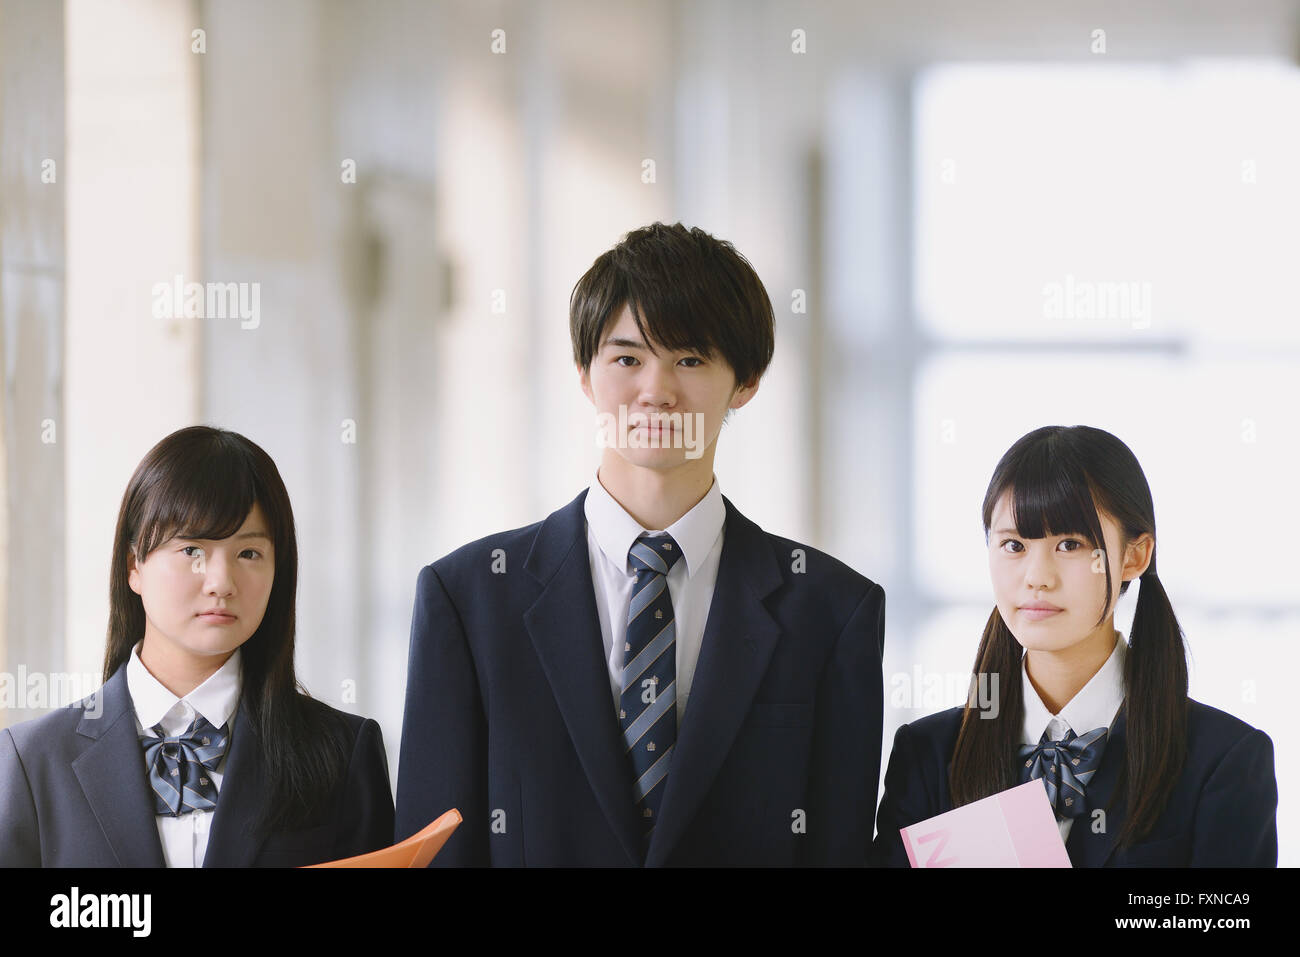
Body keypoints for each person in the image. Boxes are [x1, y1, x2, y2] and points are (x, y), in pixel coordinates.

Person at [395, 222, 885, 865]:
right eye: (627, 358)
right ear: (585, 374)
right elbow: (434, 854)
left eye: (689, 358)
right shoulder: (468, 597)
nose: (655, 390)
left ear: (747, 381)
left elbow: (836, 851)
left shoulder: (830, 608)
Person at [872, 425, 1277, 867]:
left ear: (1134, 556)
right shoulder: (928, 754)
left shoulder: (1222, 761)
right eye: (1013, 545)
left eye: (1069, 544)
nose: (1036, 576)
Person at [0, 426, 394, 867]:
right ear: (134, 567)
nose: (222, 583)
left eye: (249, 554)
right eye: (192, 550)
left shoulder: (341, 753)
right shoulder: (33, 761)